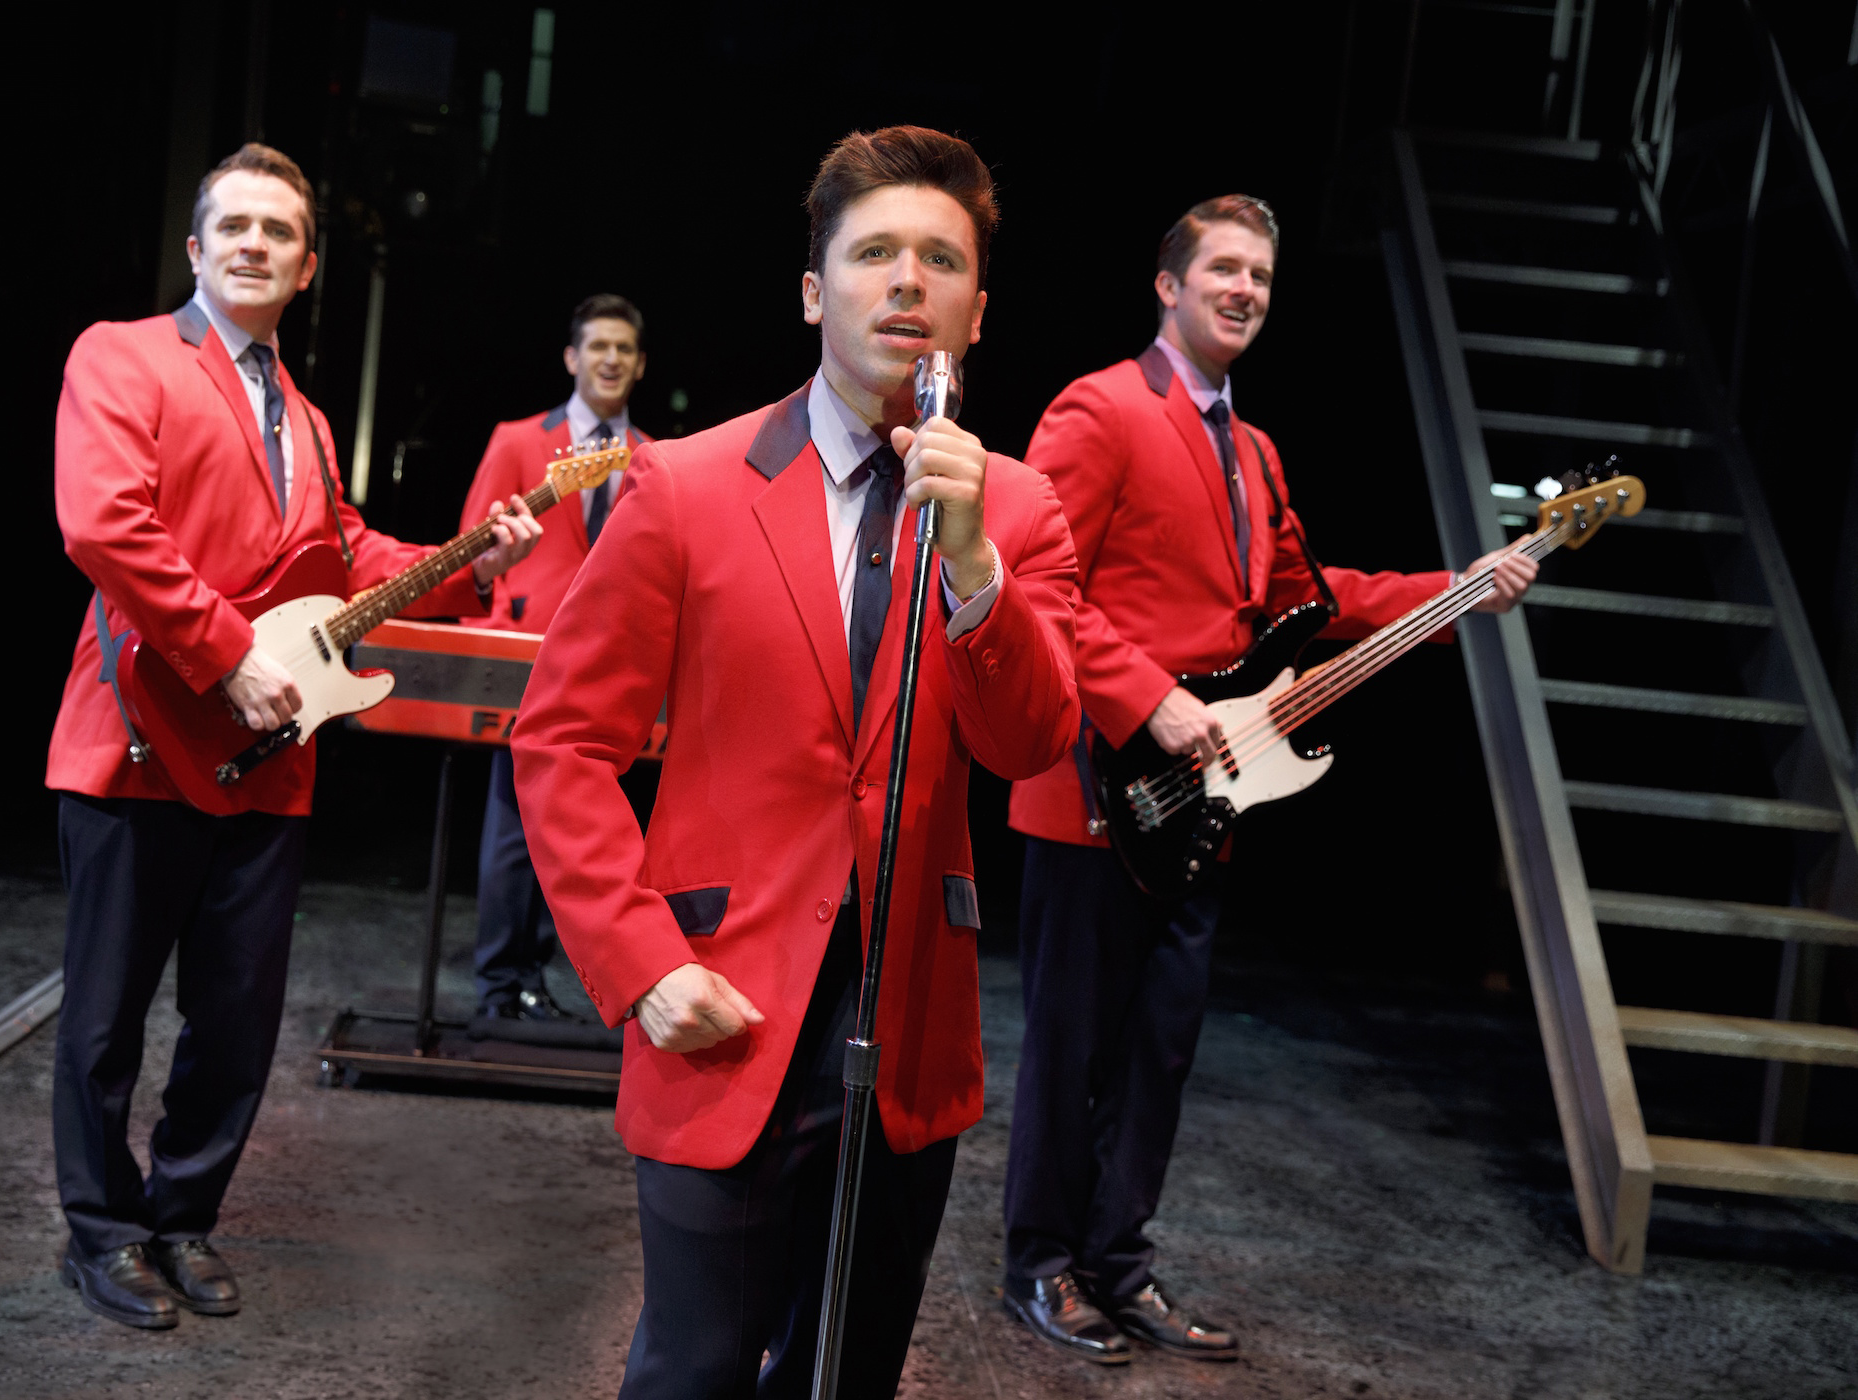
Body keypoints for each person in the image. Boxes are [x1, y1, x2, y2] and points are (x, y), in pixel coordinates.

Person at [511, 126, 1081, 1399]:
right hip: (721, 1000)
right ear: (816, 293)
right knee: (696, 1368)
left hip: (908, 1017)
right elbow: (562, 741)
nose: (908, 280)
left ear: (977, 313)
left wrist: (974, 561)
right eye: (874, 253)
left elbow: (1031, 742)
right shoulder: (684, 486)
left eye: (942, 260)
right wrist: (640, 961)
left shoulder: (1018, 511)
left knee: (849, 1372)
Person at [999, 194, 1537, 1366]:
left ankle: (1117, 1261)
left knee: (1158, 1052)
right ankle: (1040, 1262)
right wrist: (1147, 695)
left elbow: (1306, 602)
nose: (1244, 289)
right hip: (1101, 788)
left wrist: (1456, 588)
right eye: (1224, 269)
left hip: (1208, 803)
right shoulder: (1100, 408)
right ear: (1169, 283)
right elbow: (1039, 583)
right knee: (1073, 1046)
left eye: (1261, 275)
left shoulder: (1253, 451)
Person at [45, 142, 541, 1330]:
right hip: (140, 733)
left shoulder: (309, 420)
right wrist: (228, 651)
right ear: (196, 246)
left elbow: (347, 555)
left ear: (309, 266)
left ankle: (182, 1214)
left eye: (279, 230)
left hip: (268, 759)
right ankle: (102, 1231)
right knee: (105, 1018)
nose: (254, 243)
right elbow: (105, 525)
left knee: (236, 1020)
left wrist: (474, 559)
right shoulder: (120, 354)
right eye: (235, 224)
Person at [458, 295, 655, 1024]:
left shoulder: (655, 458)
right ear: (573, 357)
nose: (611, 359)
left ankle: (543, 980)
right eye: (598, 345)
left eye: (624, 348)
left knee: (585, 832)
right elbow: (474, 551)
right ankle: (499, 986)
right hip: (526, 660)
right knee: (514, 830)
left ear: (640, 365)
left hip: (613, 667)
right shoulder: (518, 441)